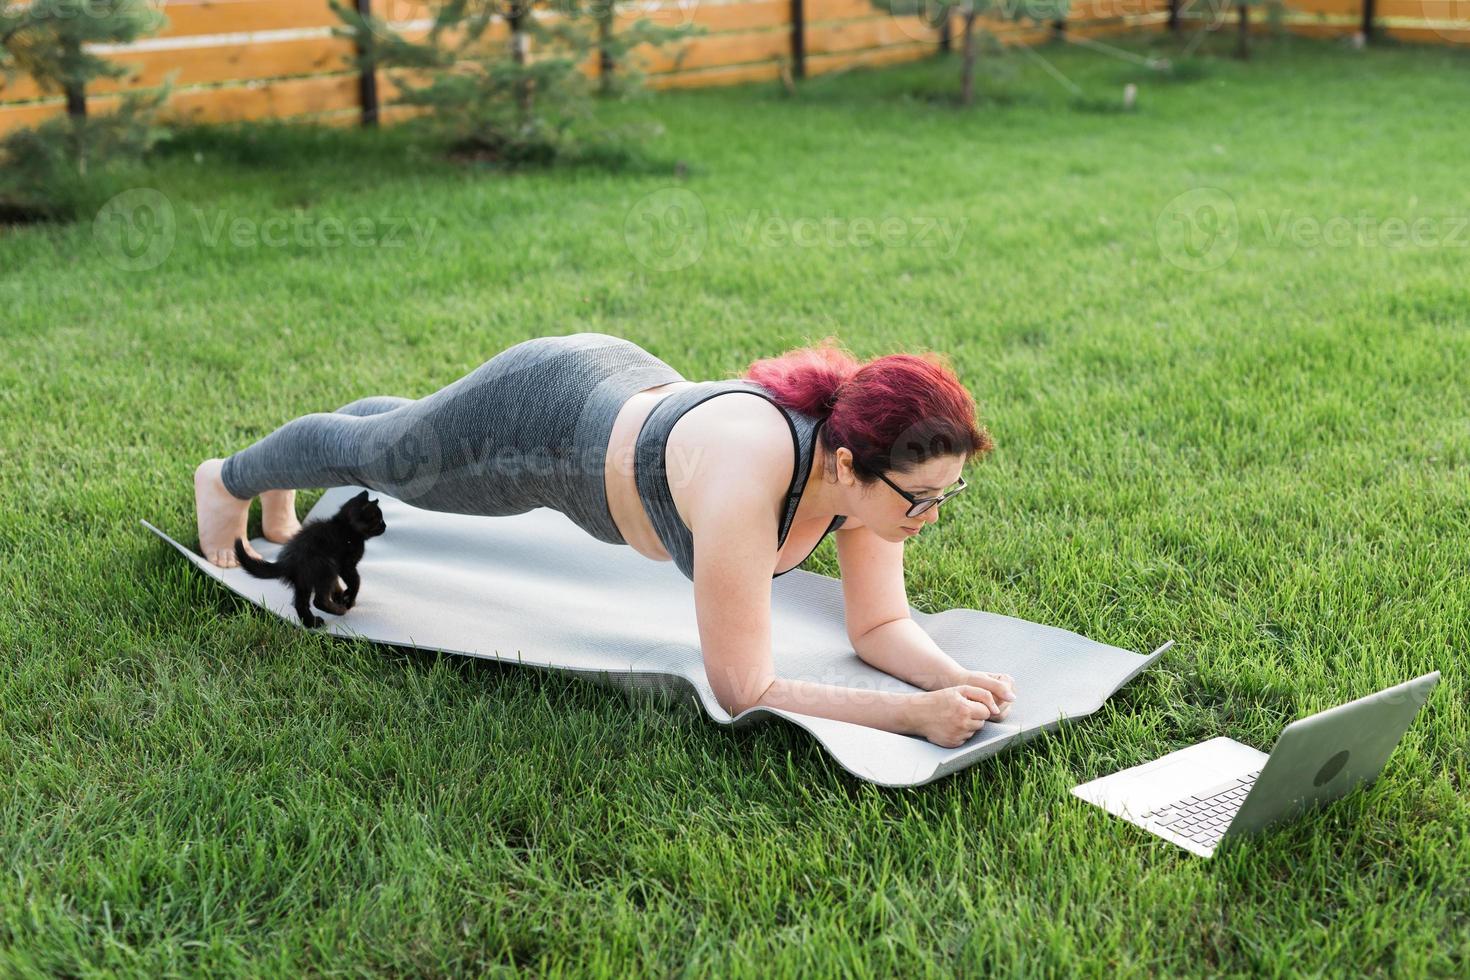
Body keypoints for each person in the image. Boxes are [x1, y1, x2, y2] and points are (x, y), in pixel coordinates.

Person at [194, 332, 1012, 747]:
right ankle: (230, 478)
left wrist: (955, 677)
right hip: (545, 423)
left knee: (407, 442)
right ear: (847, 464)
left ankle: (385, 430)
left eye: (948, 494)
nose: (931, 516)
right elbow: (743, 688)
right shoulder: (746, 479)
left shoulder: (873, 489)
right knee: (385, 459)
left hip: (619, 389)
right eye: (922, 498)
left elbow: (876, 627)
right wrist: (911, 717)